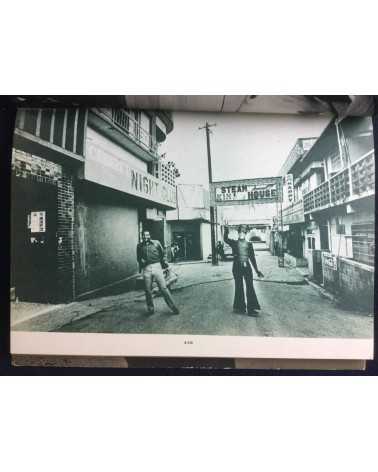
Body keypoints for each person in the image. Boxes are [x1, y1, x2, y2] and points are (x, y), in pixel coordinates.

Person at [224, 224, 264, 316]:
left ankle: (251, 309)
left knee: (250, 287)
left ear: (245, 233)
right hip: (237, 267)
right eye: (240, 231)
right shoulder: (234, 243)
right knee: (239, 286)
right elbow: (225, 239)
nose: (242, 233)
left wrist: (257, 270)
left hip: (247, 268)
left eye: (244, 232)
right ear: (238, 233)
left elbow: (252, 258)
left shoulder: (249, 244)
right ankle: (240, 307)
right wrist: (226, 230)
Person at [137, 230, 180, 315]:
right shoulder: (139, 246)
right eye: (144, 235)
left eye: (147, 235)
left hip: (157, 266)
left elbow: (163, 254)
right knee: (147, 290)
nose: (146, 237)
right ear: (142, 236)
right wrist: (141, 262)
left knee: (163, 288)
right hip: (146, 268)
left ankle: (173, 307)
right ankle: (150, 309)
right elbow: (138, 258)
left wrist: (165, 264)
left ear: (150, 235)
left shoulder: (156, 243)